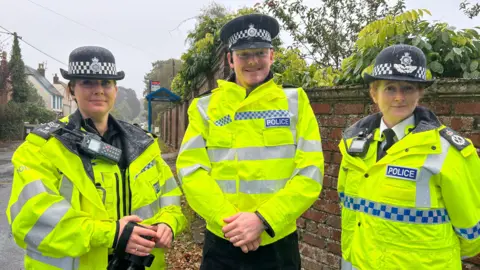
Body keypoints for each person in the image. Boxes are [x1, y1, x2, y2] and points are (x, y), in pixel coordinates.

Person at [6, 46, 186, 270]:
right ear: (72, 90)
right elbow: (30, 220)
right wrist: (110, 234)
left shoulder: (143, 144)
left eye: (105, 83)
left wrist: (168, 223)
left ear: (115, 90)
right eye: (88, 83)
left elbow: (170, 198)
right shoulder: (41, 147)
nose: (98, 90)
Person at [176, 14, 324, 270]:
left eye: (260, 53)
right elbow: (191, 171)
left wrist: (262, 220)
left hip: (276, 240)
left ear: (272, 55)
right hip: (223, 240)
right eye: (244, 54)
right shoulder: (204, 107)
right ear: (230, 59)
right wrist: (234, 225)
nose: (253, 61)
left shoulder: (295, 102)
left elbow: (310, 172)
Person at [338, 44, 480, 269]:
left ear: (420, 93)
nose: (399, 97)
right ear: (374, 93)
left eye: (408, 88)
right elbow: (349, 208)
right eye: (390, 88)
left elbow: (472, 234)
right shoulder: (352, 144)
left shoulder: (448, 151)